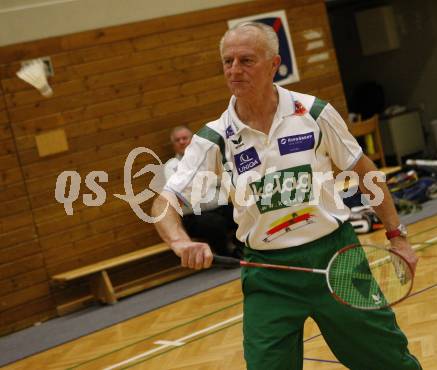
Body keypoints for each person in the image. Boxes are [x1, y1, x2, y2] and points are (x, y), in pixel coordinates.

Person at [152, 22, 421, 370]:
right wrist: (179, 242)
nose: (234, 70)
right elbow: (164, 201)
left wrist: (398, 236)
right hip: (268, 274)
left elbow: (365, 173)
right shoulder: (213, 138)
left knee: (389, 362)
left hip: (336, 257)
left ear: (273, 63)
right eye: (227, 61)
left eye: (246, 60)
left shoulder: (314, 113)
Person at [164, 125, 243, 258]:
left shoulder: (207, 158)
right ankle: (228, 255)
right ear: (174, 145)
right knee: (214, 223)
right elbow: (181, 191)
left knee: (240, 212)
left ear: (193, 140)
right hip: (193, 216)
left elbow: (220, 180)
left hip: (219, 207)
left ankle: (244, 248)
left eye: (185, 138)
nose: (182, 142)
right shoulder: (171, 166)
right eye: (178, 140)